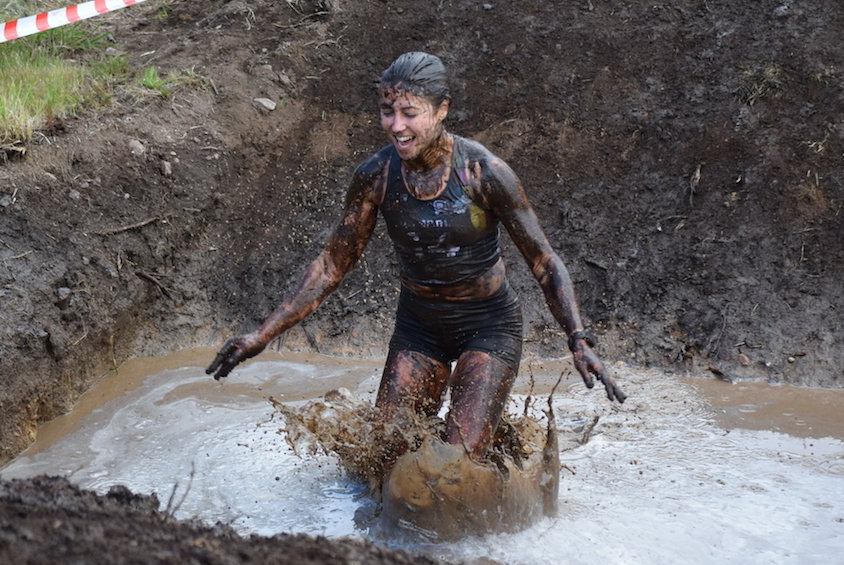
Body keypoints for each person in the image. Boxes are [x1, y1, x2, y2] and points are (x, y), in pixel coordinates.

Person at [207, 52, 625, 461]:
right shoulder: (376, 175)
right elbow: (333, 264)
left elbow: (544, 262)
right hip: (419, 327)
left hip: (489, 324)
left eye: (410, 112)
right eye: (388, 111)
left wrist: (578, 341)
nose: (396, 126)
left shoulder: (483, 172)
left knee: (455, 461)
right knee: (384, 455)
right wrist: (263, 334)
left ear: (443, 109)